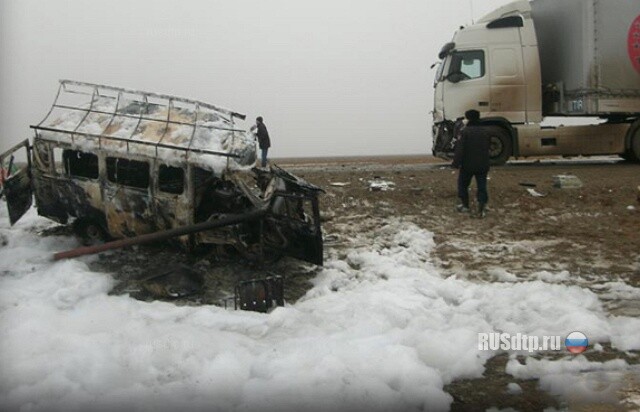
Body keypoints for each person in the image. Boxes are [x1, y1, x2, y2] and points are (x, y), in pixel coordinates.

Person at [452, 109, 491, 218]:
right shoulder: (486, 131)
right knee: (482, 186)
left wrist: (456, 163)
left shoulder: (465, 132)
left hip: (467, 165)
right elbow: (489, 146)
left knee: (463, 185)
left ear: (468, 118)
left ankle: (465, 206)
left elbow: (460, 149)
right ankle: (482, 206)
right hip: (483, 164)